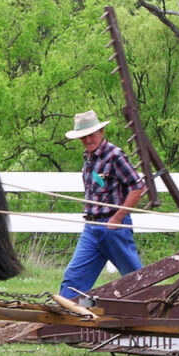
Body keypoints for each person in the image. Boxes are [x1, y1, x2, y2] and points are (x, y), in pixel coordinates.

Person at [58, 110, 147, 299]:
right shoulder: (88, 158)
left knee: (135, 280)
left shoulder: (115, 155)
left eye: (90, 134)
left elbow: (137, 187)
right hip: (91, 228)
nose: (87, 140)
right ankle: (62, 319)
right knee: (73, 279)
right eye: (83, 137)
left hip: (114, 228)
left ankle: (150, 312)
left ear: (101, 131)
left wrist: (117, 218)